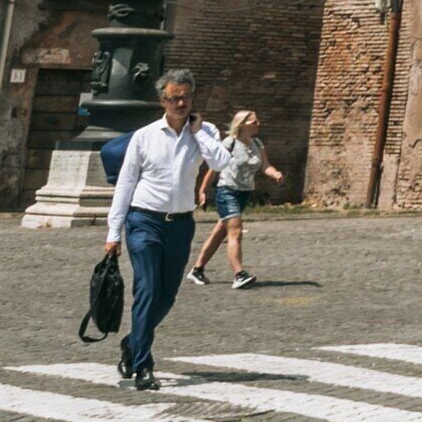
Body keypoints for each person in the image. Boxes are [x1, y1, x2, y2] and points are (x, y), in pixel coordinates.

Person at [100, 69, 238, 391]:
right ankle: (143, 365)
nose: (180, 103)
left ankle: (132, 342)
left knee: (166, 297)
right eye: (174, 98)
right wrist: (113, 233)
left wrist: (199, 131)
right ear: (162, 100)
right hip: (143, 222)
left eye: (186, 97)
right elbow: (125, 185)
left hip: (180, 225)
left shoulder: (204, 133)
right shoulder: (144, 136)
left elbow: (220, 162)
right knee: (147, 289)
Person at [184, 109, 284, 290]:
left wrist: (275, 174)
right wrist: (203, 190)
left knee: (220, 233)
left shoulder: (257, 144)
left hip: (244, 193)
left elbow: (265, 166)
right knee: (236, 232)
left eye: (258, 121)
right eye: (254, 122)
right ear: (242, 124)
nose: (258, 124)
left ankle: (197, 269)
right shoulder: (229, 143)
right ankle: (239, 274)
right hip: (227, 191)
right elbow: (214, 167)